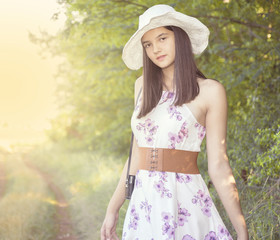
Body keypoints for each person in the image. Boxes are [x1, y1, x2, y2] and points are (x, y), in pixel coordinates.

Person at [100, 4, 248, 240]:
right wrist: (112, 209)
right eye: (148, 44)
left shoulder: (210, 91)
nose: (155, 49)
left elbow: (219, 166)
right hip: (144, 206)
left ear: (179, 37)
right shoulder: (141, 87)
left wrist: (241, 230)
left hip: (186, 204)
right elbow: (137, 155)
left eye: (162, 38)